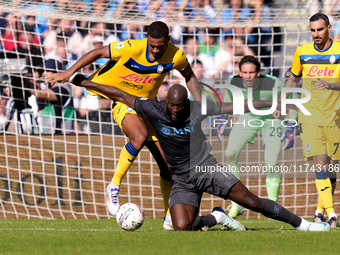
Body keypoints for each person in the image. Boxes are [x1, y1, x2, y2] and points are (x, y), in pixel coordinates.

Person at [70, 75, 330, 232]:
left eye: (179, 106)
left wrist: (275, 105)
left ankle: (304, 225)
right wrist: (82, 81)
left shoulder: (198, 108)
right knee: (181, 226)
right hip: (182, 179)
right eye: (171, 106)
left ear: (186, 103)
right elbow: (121, 94)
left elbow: (240, 104)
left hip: (208, 170)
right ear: (166, 103)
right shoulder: (153, 109)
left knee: (251, 201)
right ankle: (217, 216)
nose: (175, 110)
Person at [46, 21, 201, 230]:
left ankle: (168, 218)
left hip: (148, 107)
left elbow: (189, 76)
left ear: (168, 41)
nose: (156, 50)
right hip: (122, 102)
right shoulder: (131, 47)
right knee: (138, 136)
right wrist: (67, 72)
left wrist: (200, 105)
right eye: (152, 45)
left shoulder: (177, 56)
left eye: (160, 46)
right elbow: (97, 52)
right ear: (147, 39)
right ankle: (114, 185)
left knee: (169, 167)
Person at [218, 55, 297, 219]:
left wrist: (291, 126)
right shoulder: (234, 81)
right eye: (244, 73)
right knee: (230, 153)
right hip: (248, 118)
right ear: (240, 73)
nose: (248, 76)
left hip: (272, 120)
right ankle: (237, 203)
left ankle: (273, 204)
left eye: (251, 72)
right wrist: (221, 120)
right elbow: (227, 103)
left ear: (258, 73)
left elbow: (291, 101)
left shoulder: (274, 83)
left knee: (271, 161)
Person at [284, 13, 340, 228]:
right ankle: (333, 214)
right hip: (309, 116)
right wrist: (282, 101)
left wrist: (331, 85)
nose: (316, 34)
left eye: (320, 29)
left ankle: (319, 211)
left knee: (331, 167)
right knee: (320, 164)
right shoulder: (302, 52)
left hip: (335, 117)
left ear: (329, 28)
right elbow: (293, 77)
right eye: (313, 30)